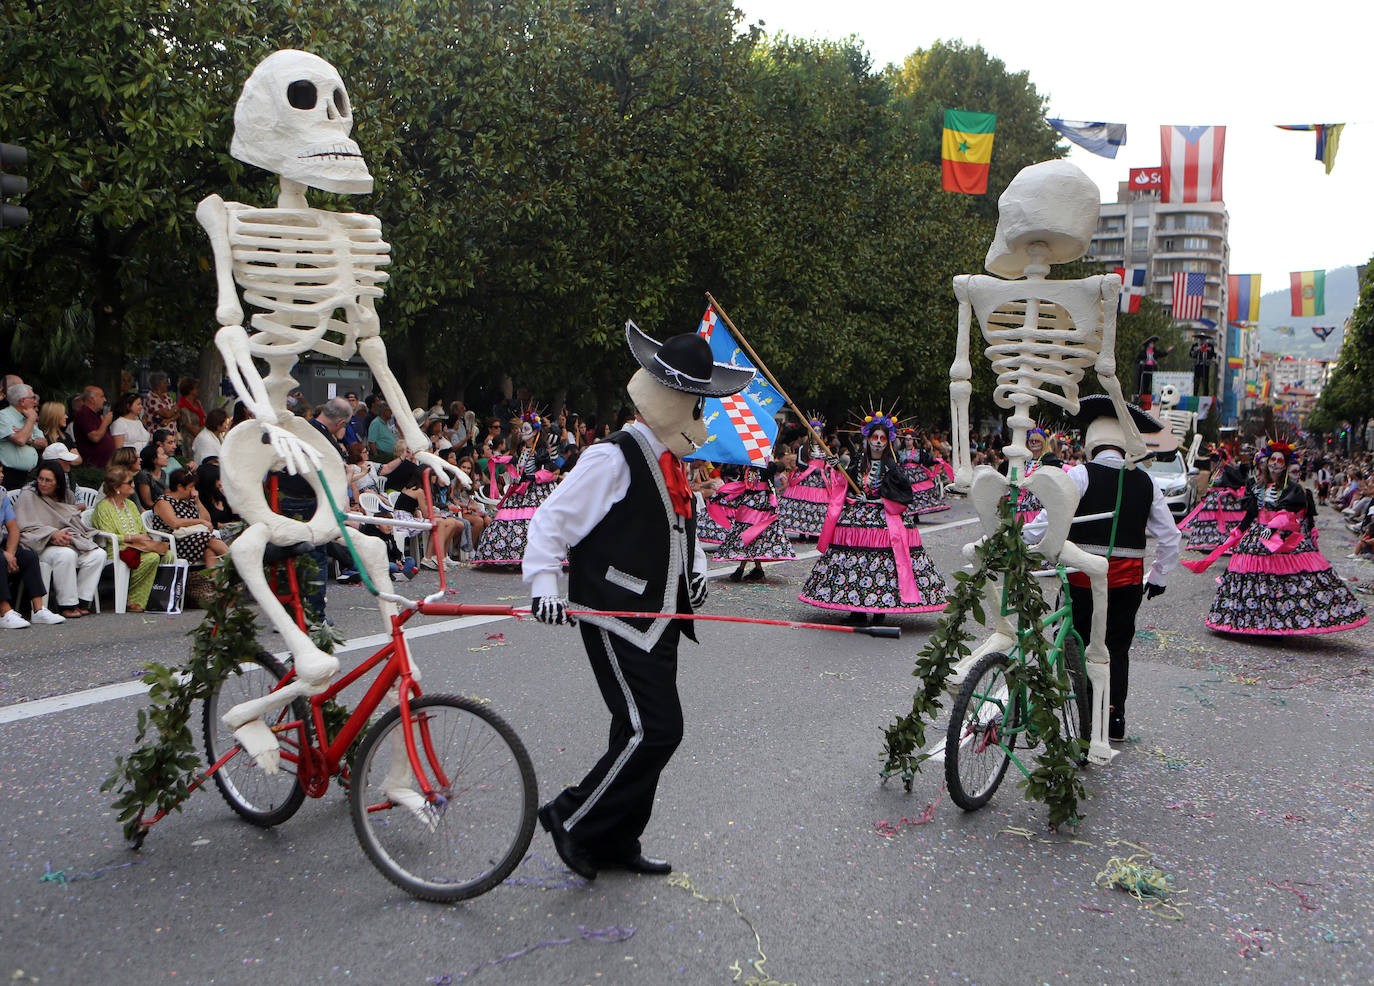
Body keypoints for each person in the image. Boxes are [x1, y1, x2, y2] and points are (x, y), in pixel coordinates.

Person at [522, 325, 740, 880]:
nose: (701, 417)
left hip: (658, 618)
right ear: (671, 399)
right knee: (657, 729)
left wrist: (697, 574)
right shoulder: (613, 457)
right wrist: (544, 585)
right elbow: (553, 520)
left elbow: (679, 529)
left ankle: (616, 838)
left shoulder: (669, 461)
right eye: (697, 404)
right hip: (616, 613)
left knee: (633, 729)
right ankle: (573, 819)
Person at [1028, 396, 1181, 742]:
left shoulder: (1080, 474)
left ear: (1091, 443)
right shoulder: (1146, 482)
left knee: (1076, 641)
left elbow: (1045, 522)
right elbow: (1170, 536)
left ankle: (1082, 707)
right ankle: (1115, 717)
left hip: (1082, 581)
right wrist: (1159, 576)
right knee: (1117, 647)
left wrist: (1022, 543)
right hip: (1126, 583)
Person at [1184, 441, 1367, 635]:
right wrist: (1238, 532)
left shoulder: (1293, 489)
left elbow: (1290, 514)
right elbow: (1251, 514)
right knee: (1256, 580)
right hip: (1259, 533)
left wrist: (1271, 532)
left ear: (1285, 464)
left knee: (1283, 582)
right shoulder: (1255, 486)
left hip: (1282, 537)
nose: (1275, 464)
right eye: (1273, 459)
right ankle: (1251, 620)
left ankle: (1280, 623)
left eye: (1280, 460)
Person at [798, 412, 949, 624]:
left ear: (887, 442)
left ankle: (880, 610)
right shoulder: (859, 460)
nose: (878, 443)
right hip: (858, 516)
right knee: (853, 562)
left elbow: (904, 492)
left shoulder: (891, 465)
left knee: (882, 564)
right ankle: (855, 609)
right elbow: (845, 481)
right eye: (874, 438)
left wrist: (882, 501)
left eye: (882, 439)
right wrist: (836, 467)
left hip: (884, 517)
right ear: (868, 439)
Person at [15, 464, 106, 618]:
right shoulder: (28, 495)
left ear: (57, 482)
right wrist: (51, 534)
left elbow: (73, 521)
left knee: (98, 555)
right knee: (66, 555)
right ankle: (67, 604)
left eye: (48, 480)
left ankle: (83, 600)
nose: (43, 483)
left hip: (68, 539)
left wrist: (67, 535)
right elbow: (24, 526)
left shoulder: (67, 495)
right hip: (40, 543)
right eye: (40, 479)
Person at [471, 410, 559, 566]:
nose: (522, 433)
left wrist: (529, 477)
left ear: (534, 432)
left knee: (534, 520)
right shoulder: (522, 449)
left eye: (526, 429)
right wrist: (506, 459)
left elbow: (547, 471)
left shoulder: (541, 452)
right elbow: (519, 461)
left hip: (536, 492)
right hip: (519, 490)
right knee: (508, 520)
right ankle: (509, 555)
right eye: (522, 429)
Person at [92, 465, 169, 612]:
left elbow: (141, 529)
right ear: (116, 487)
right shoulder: (103, 507)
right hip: (117, 550)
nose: (133, 485)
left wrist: (142, 538)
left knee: (168, 555)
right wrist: (134, 538)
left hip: (138, 546)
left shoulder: (131, 504)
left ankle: (158, 597)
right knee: (151, 558)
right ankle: (133, 599)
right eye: (129, 483)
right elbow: (109, 537)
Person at [712, 458, 795, 582]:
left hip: (761, 506)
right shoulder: (747, 467)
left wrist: (773, 504)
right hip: (747, 506)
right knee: (747, 536)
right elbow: (740, 485)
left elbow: (770, 485)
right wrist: (723, 494)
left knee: (752, 536)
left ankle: (745, 569)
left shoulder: (767, 467)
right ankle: (755, 570)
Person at [0, 483, 66, 628]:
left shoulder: (2, 494)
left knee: (29, 557)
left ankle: (38, 610)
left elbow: (14, 529)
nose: (2, 476)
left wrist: (10, 553)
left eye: (1, 472)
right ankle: (4, 612)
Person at [150, 468, 229, 568]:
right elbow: (174, 523)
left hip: (195, 539)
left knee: (209, 552)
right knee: (211, 540)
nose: (193, 490)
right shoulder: (163, 501)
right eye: (191, 487)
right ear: (180, 487)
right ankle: (237, 566)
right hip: (175, 541)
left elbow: (207, 521)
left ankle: (219, 582)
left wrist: (198, 502)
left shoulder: (189, 500)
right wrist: (200, 521)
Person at [777, 418, 838, 539]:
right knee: (803, 505)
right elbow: (799, 462)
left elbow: (828, 463)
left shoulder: (825, 449)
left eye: (819, 431)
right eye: (814, 430)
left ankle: (815, 532)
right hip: (806, 479)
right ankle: (802, 533)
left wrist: (827, 468)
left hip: (820, 480)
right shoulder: (803, 448)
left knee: (819, 507)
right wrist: (811, 468)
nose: (817, 433)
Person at [1176, 457, 1249, 552]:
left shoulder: (1227, 470)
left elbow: (1236, 482)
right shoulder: (1216, 471)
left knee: (1225, 523)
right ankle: (1209, 541)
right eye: (1212, 462)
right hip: (1213, 502)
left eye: (1215, 461)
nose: (1213, 464)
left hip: (1224, 502)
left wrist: (1227, 492)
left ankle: (1225, 541)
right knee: (1210, 522)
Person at [1, 382, 42, 489]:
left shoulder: (27, 416)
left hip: (29, 475)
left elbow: (43, 442)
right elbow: (20, 440)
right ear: (22, 401)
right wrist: (31, 419)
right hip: (9, 476)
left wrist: (30, 440)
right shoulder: (3, 416)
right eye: (32, 397)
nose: (35, 401)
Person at [73, 385, 117, 469]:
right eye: (102, 396)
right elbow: (95, 437)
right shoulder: (84, 414)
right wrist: (105, 422)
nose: (105, 400)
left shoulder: (95, 414)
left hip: (104, 464)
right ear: (91, 399)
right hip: (94, 466)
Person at [108, 392, 152, 456]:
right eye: (138, 404)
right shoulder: (119, 423)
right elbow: (118, 450)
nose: (141, 407)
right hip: (129, 460)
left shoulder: (138, 422)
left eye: (141, 404)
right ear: (128, 406)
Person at [134, 441, 170, 510]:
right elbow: (147, 502)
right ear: (153, 459)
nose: (166, 456)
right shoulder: (144, 475)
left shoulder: (163, 473)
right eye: (163, 454)